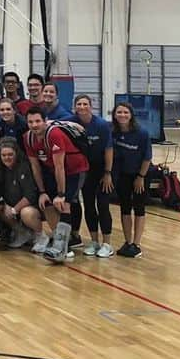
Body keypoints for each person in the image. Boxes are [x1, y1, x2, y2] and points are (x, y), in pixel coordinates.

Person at [24, 107, 88, 262]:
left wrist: (61, 194)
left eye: (38, 121)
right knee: (48, 203)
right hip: (53, 170)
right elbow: (35, 167)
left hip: (75, 169)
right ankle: (61, 241)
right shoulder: (27, 138)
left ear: (45, 121)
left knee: (65, 204)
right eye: (31, 122)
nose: (34, 125)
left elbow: (60, 166)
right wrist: (42, 191)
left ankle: (62, 249)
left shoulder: (54, 134)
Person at [71, 95, 114, 257]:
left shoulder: (101, 125)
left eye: (85, 104)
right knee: (88, 205)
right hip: (85, 170)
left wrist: (108, 173)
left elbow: (109, 149)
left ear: (91, 106)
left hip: (102, 170)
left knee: (102, 205)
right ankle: (94, 241)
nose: (82, 107)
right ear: (75, 107)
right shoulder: (71, 121)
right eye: (79, 104)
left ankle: (107, 243)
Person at [111, 102, 152, 258]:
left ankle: (137, 243)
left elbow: (147, 158)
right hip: (122, 175)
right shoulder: (113, 132)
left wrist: (141, 177)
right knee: (125, 208)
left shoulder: (141, 133)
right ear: (115, 115)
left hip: (140, 175)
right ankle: (127, 242)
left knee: (139, 208)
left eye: (125, 112)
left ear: (131, 115)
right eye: (119, 112)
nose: (122, 115)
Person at [0, 137, 43, 250]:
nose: (7, 158)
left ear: (16, 153)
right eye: (4, 155)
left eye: (10, 154)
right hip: (11, 205)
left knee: (26, 213)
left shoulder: (24, 167)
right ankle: (22, 233)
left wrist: (14, 210)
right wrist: (5, 205)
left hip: (31, 206)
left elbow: (30, 195)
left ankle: (40, 237)